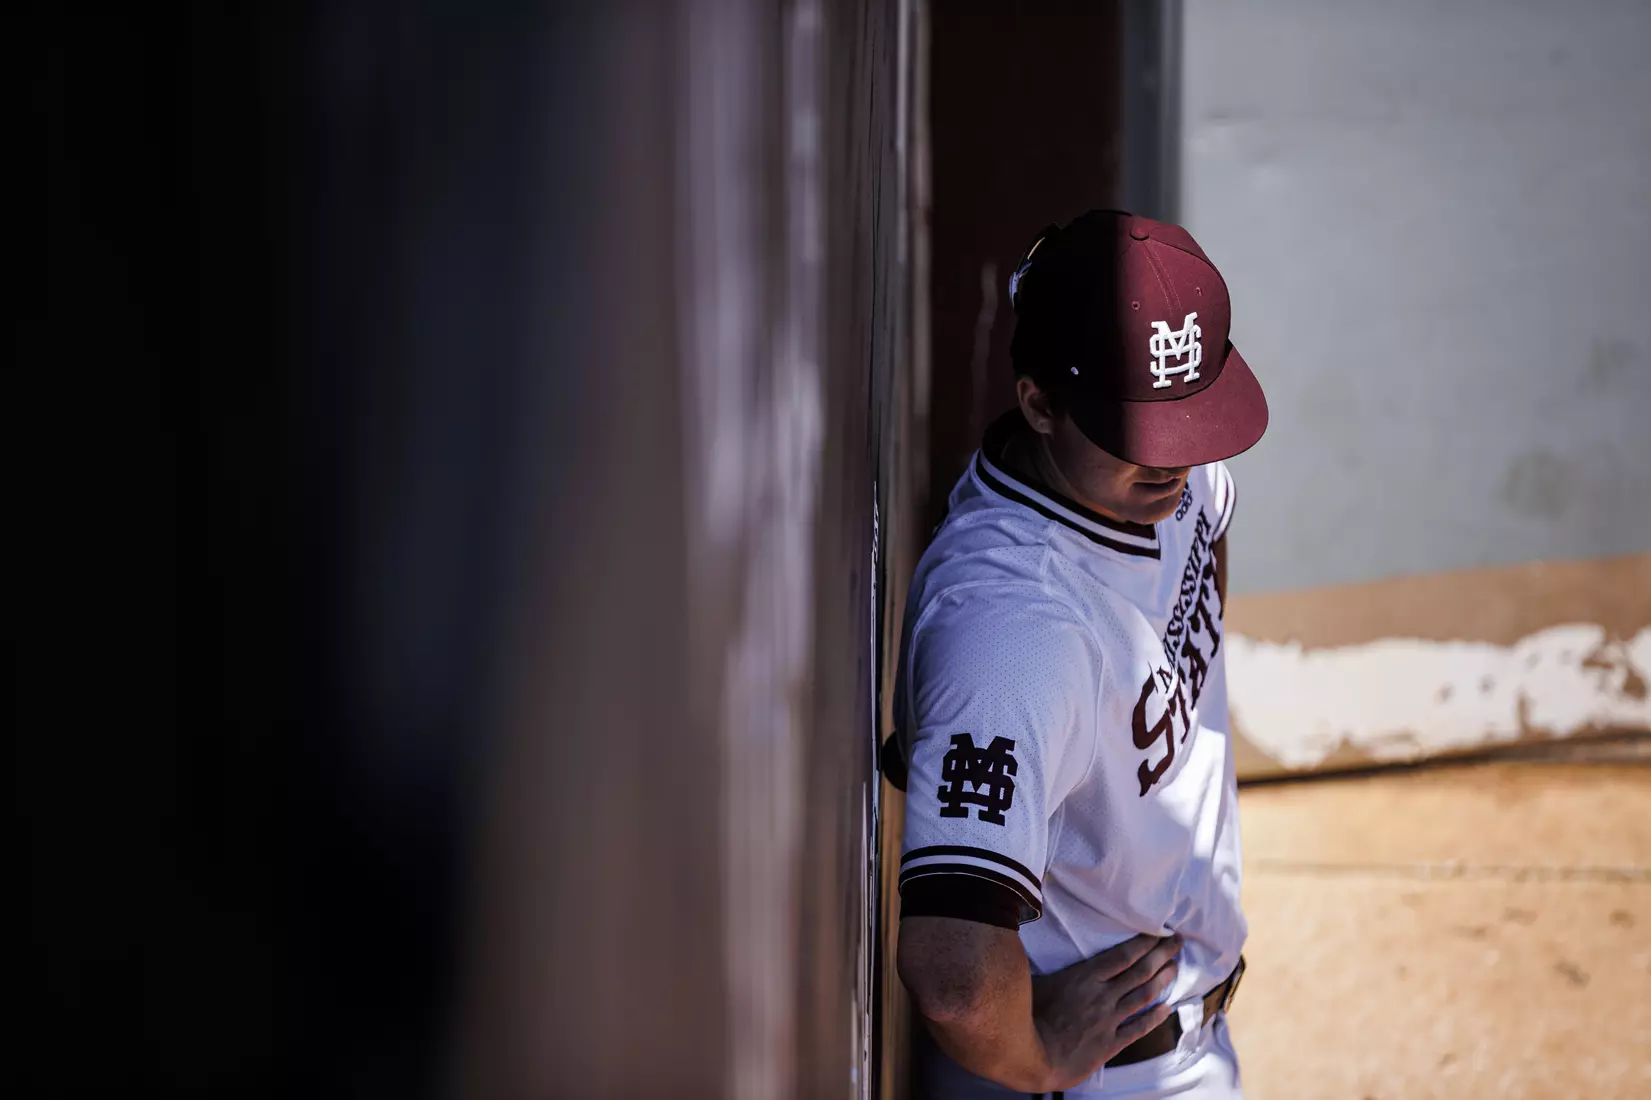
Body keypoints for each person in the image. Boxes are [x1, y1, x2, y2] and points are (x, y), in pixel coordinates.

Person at [890, 209, 1269, 1098]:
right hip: (1094, 1080)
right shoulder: (1013, 635)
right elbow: (952, 975)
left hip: (1182, 1045)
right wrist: (1038, 1062)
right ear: (1038, 402)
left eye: (1191, 422)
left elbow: (1207, 525)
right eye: (1141, 433)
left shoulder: (1167, 481)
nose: (1175, 464)